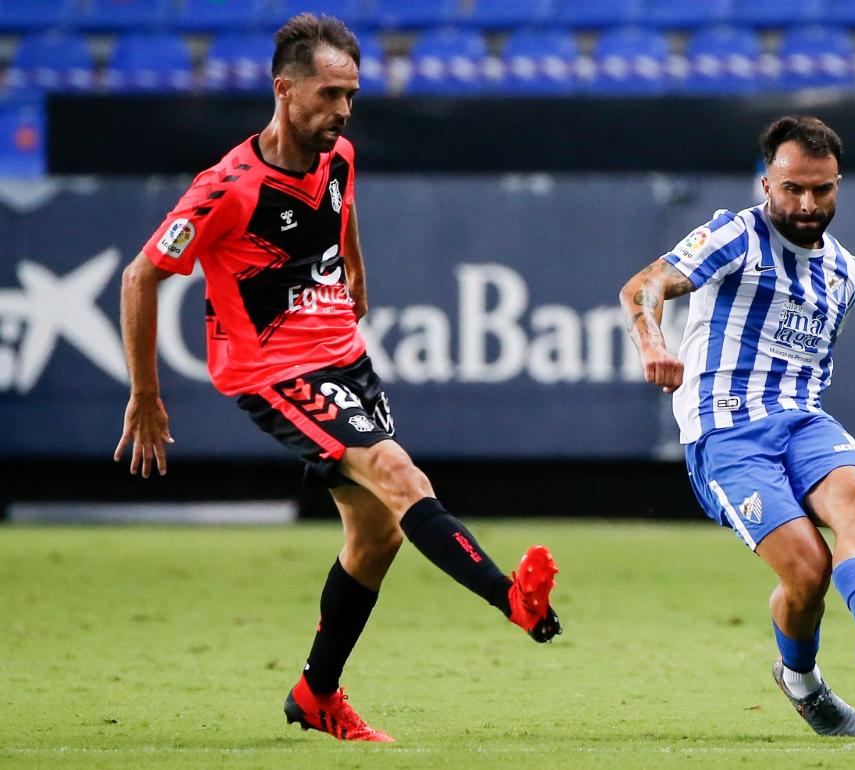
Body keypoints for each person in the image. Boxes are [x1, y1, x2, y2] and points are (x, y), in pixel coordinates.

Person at [113, 14, 561, 743]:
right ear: (284, 90)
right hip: (274, 370)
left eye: (352, 95)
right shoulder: (226, 188)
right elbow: (141, 276)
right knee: (396, 471)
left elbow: (338, 210)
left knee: (377, 533)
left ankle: (316, 694)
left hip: (343, 359)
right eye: (329, 95)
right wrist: (146, 394)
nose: (343, 111)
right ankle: (510, 598)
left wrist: (355, 269)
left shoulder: (340, 155)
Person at [619, 115, 855, 738]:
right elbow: (646, 284)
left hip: (801, 417)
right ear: (765, 182)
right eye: (792, 187)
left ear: (838, 184)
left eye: (821, 190)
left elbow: (816, 360)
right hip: (725, 430)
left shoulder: (845, 273)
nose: (806, 203)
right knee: (806, 568)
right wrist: (652, 342)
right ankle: (801, 680)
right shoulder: (734, 235)